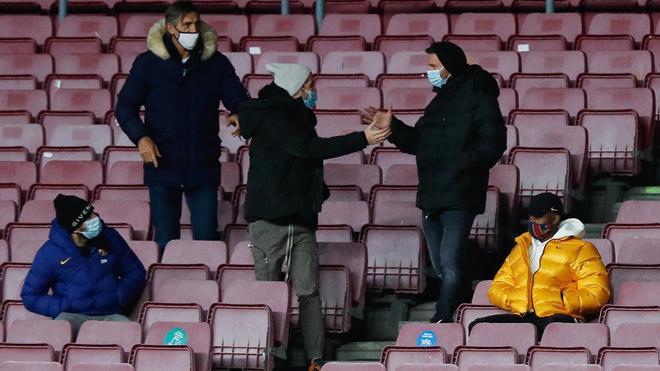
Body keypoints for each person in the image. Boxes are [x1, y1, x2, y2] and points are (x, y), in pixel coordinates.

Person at [237, 63, 391, 371]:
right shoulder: (275, 118)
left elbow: (302, 159)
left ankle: (315, 360)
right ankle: (268, 359)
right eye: (309, 84)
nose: (312, 90)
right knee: (269, 293)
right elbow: (310, 149)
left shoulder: (297, 117)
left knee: (309, 291)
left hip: (300, 219)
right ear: (296, 88)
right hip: (270, 221)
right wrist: (364, 138)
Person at [363, 41, 507, 323]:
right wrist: (391, 127)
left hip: (460, 195)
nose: (428, 72)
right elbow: (420, 142)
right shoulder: (439, 101)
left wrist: (456, 166)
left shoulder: (480, 98)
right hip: (432, 194)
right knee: (442, 264)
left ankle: (442, 317)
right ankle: (462, 309)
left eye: (432, 67)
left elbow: (492, 144)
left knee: (451, 261)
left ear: (449, 66)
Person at [116, 0, 249, 250]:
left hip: (203, 166)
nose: (193, 29)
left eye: (196, 24)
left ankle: (205, 289)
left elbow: (237, 97)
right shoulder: (147, 64)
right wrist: (141, 138)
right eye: (186, 24)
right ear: (170, 29)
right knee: (166, 240)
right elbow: (125, 108)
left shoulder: (216, 63)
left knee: (207, 238)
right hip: (161, 165)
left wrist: (240, 113)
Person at [470, 192, 611, 335]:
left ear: (555, 217)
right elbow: (497, 288)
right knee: (478, 327)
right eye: (530, 217)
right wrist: (519, 298)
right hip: (525, 315)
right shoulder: (521, 248)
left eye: (538, 217)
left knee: (552, 326)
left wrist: (562, 300)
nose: (532, 221)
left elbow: (597, 293)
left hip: (558, 316)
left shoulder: (581, 249)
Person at [21, 194, 147, 335]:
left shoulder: (111, 237)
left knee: (130, 334)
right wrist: (64, 306)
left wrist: (118, 297)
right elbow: (30, 295)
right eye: (87, 219)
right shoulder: (49, 253)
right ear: (73, 227)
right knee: (56, 334)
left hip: (111, 314)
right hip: (71, 316)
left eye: (92, 213)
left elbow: (135, 272)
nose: (95, 219)